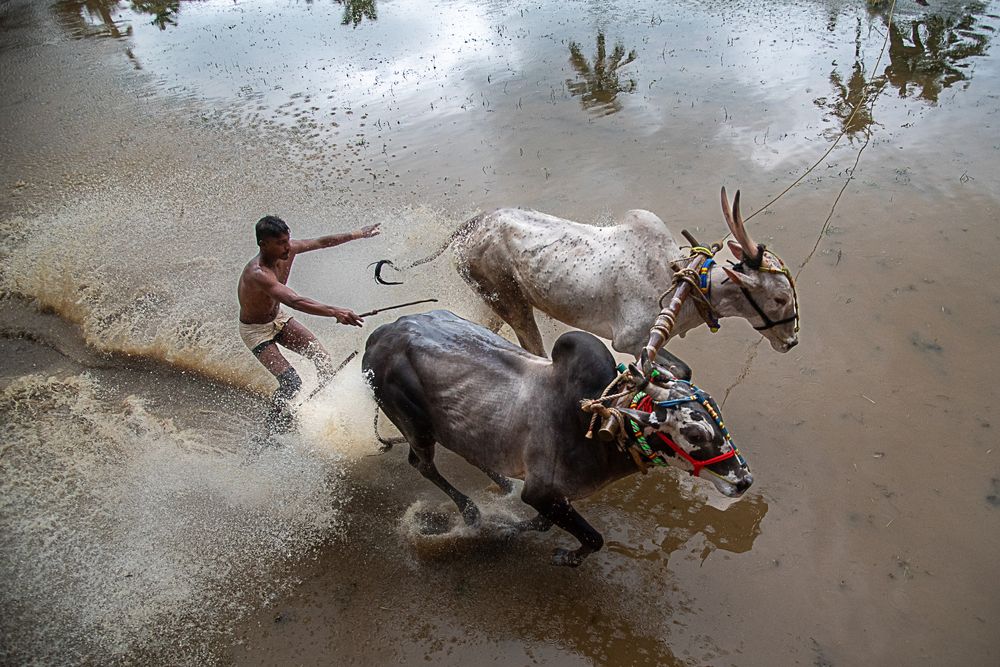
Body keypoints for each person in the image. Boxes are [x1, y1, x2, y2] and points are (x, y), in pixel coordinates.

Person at [238, 215, 380, 430]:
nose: (287, 247)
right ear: (263, 244)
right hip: (255, 330)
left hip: (278, 318)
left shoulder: (289, 249)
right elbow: (294, 300)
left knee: (321, 357)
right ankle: (272, 430)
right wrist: (335, 311)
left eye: (288, 240)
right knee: (291, 383)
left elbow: (321, 242)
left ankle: (326, 407)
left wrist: (358, 234)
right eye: (280, 243)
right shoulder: (257, 273)